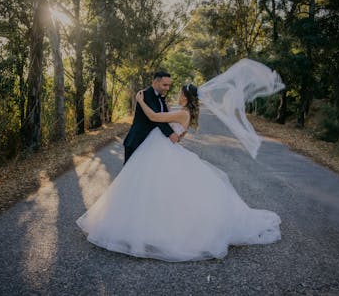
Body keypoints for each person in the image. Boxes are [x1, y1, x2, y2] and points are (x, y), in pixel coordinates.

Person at [76, 81, 282, 262]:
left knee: (156, 187)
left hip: (161, 149)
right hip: (162, 147)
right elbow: (169, 120)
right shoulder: (184, 111)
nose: (177, 95)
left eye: (180, 93)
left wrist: (139, 101)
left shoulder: (182, 113)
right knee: (159, 188)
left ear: (185, 97)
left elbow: (155, 116)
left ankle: (156, 229)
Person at [122, 71, 180, 164]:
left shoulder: (161, 97)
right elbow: (156, 118)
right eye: (165, 85)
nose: (167, 88)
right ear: (155, 82)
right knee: (131, 175)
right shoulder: (144, 95)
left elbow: (165, 117)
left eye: (169, 85)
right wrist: (170, 133)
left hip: (151, 144)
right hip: (137, 141)